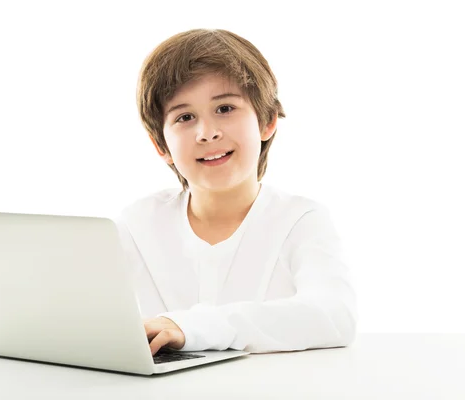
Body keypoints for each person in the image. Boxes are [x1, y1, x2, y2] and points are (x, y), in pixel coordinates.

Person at [115, 29, 357, 356]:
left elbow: (333, 314)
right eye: (185, 117)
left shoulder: (300, 220)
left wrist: (192, 327)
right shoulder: (136, 224)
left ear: (267, 120)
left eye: (225, 109)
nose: (208, 133)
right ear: (161, 145)